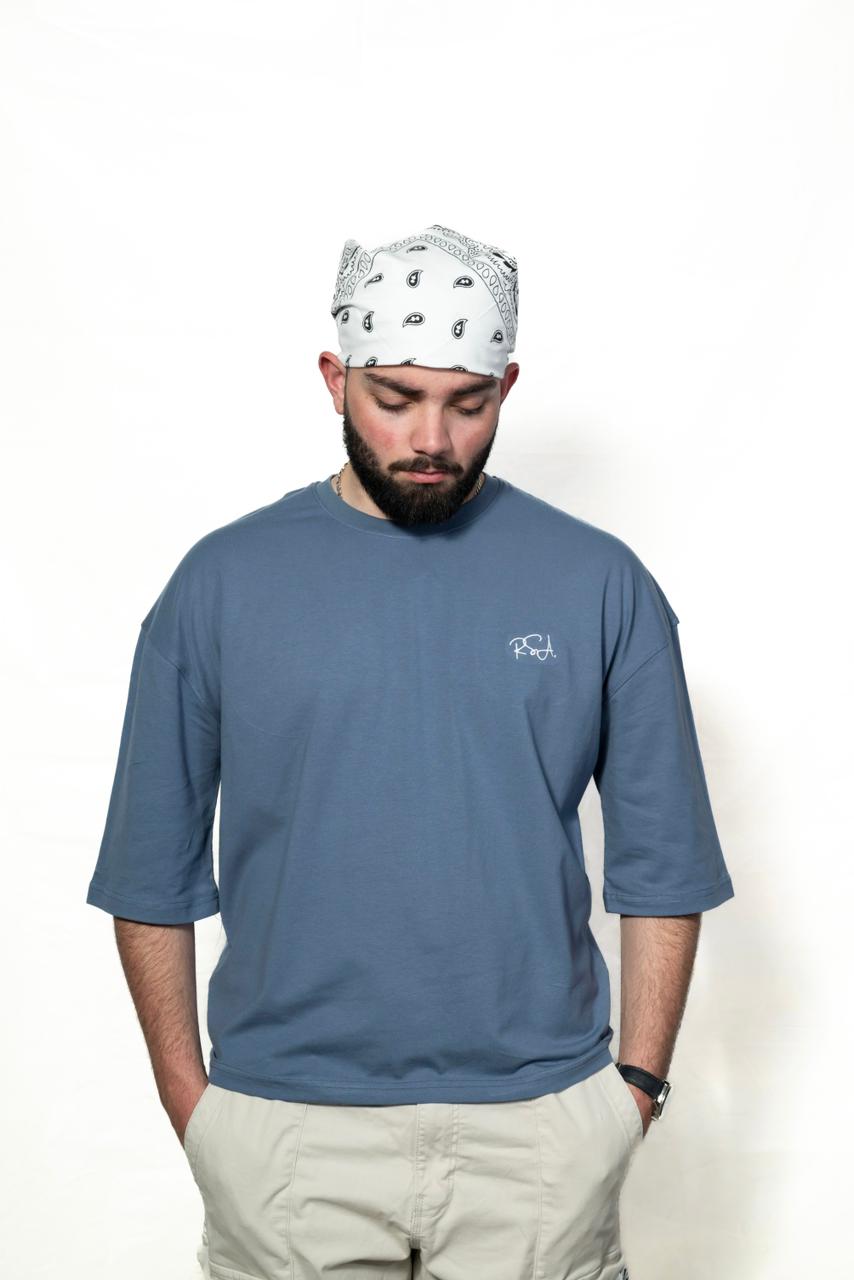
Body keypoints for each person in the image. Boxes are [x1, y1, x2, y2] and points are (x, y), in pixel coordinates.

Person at [86, 223, 735, 1280]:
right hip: (285, 1127)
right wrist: (193, 1108)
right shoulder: (220, 583)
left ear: (506, 388)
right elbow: (148, 871)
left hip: (539, 1129)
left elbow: (665, 867)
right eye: (394, 398)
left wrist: (633, 1094)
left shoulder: (598, 581)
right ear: (333, 378)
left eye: (466, 403)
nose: (430, 436)